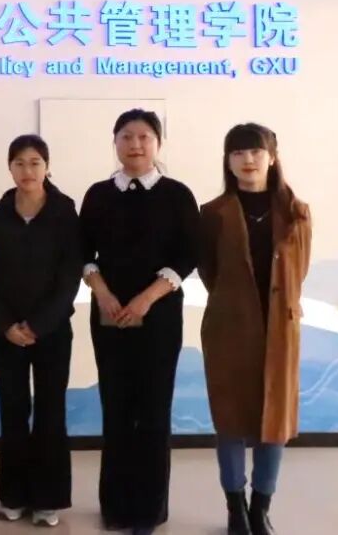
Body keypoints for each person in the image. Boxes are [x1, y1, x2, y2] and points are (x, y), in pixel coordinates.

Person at [79, 109, 200, 535]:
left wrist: (146, 298)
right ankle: (114, 507)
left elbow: (188, 255)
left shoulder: (177, 195)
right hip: (110, 316)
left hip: (159, 317)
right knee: (115, 408)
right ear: (115, 142)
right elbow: (83, 253)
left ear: (157, 143)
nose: (135, 144)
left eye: (144, 136)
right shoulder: (98, 195)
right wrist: (104, 294)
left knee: (152, 411)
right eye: (126, 136)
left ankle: (149, 511)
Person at [198, 123, 311, 535]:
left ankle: (261, 507)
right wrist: (237, 306)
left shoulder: (296, 212)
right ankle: (236, 508)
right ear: (227, 162)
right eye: (238, 153)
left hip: (281, 330)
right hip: (229, 330)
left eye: (256, 151)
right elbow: (209, 272)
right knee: (230, 419)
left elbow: (299, 271)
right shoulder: (212, 213)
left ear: (272, 157)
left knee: (273, 423)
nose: (248, 160)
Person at [0, 135, 82, 528]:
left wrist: (38, 325)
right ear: (10, 168)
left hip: (52, 332)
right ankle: (13, 496)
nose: (28, 170)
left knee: (50, 413)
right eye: (20, 163)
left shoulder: (64, 211)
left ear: (47, 166)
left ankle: (47, 500)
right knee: (13, 411)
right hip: (5, 333)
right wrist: (6, 324)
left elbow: (69, 276)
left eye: (35, 162)